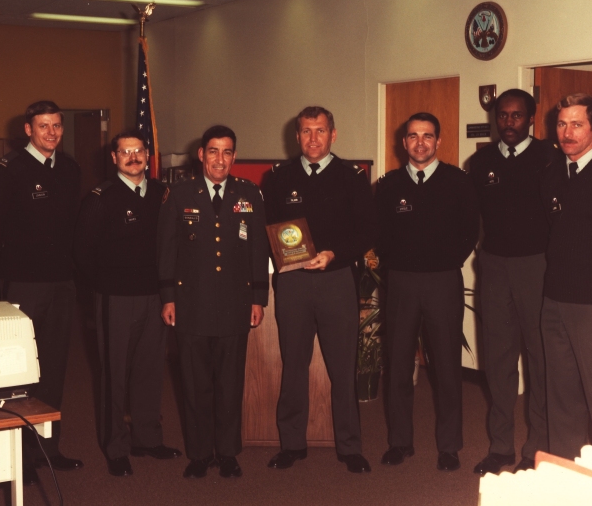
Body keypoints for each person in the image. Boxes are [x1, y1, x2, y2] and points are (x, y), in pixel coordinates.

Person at [262, 106, 377, 474]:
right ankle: (291, 444)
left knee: (342, 368)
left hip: (336, 279)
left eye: (321, 131)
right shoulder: (278, 177)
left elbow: (366, 232)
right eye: (307, 131)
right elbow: (270, 228)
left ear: (333, 134)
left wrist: (333, 254)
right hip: (293, 281)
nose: (314, 138)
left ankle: (350, 446)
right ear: (296, 137)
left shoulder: (352, 177)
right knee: (293, 365)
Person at [157, 125, 269, 479]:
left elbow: (257, 249)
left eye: (227, 152)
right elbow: (167, 250)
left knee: (230, 383)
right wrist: (168, 297)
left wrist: (258, 298)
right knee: (194, 383)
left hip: (235, 304)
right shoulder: (179, 194)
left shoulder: (248, 193)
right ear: (201, 154)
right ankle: (200, 453)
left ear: (234, 157)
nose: (220, 159)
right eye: (213, 151)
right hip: (191, 304)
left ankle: (228, 452)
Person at [74, 131, 181, 477]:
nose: (133, 157)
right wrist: (104, 289)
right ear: (114, 158)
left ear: (148, 154)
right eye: (125, 152)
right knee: (113, 374)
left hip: (155, 298)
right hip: (115, 298)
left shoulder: (162, 195)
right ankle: (115, 446)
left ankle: (148, 439)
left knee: (150, 371)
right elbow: (83, 255)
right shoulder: (100, 198)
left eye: (138, 151)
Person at [376, 112, 478, 472]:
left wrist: (445, 260)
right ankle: (399, 442)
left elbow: (471, 230)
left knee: (447, 367)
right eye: (413, 136)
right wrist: (397, 264)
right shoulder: (388, 185)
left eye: (428, 136)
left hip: (442, 283)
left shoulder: (458, 181)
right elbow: (379, 234)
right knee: (399, 365)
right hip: (401, 283)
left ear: (438, 141)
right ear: (403, 143)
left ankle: (449, 446)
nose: (420, 142)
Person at [0, 101, 82, 484]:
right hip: (24, 283)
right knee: (20, 370)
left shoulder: (71, 168)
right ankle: (18, 455)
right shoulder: (7, 170)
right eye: (43, 126)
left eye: (57, 126)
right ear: (28, 129)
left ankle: (49, 447)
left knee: (55, 368)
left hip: (62, 283)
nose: (51, 133)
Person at [469, 89, 555, 475]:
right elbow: (471, 217)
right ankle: (501, 447)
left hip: (536, 268)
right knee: (499, 360)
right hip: (496, 268)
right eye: (503, 116)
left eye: (517, 116)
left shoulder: (549, 158)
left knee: (539, 360)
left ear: (531, 119)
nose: (508, 122)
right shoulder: (481, 161)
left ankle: (535, 447)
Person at [539, 93, 592, 459]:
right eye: (561, 124)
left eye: (577, 124)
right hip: (555, 299)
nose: (567, 132)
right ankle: (566, 474)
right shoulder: (554, 172)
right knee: (562, 394)